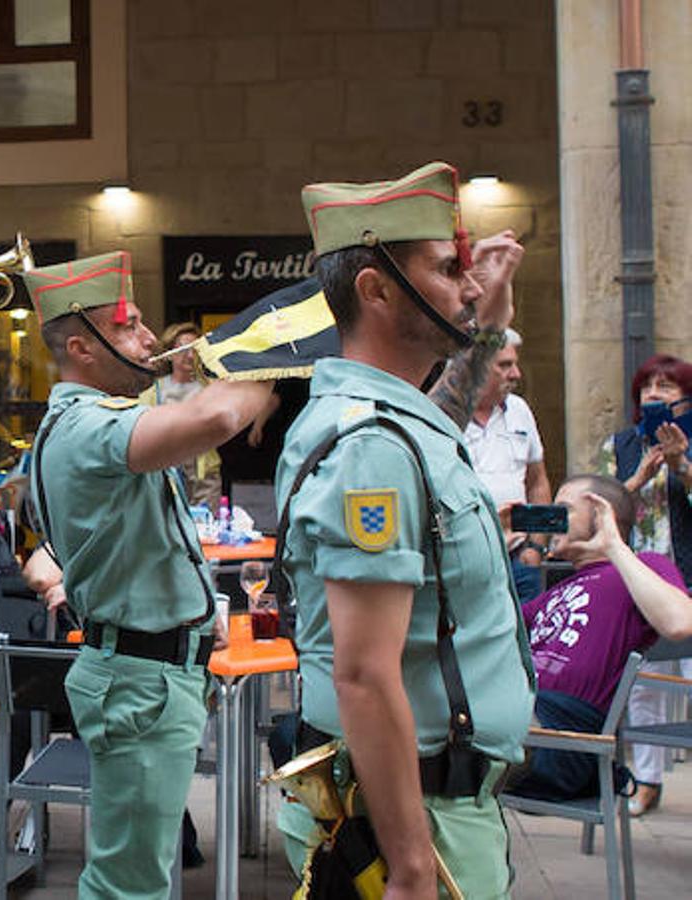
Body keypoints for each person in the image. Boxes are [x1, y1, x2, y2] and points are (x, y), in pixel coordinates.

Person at [276, 162, 534, 898]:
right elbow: (363, 672)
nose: (471, 285)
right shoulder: (373, 446)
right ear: (377, 289)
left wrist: (490, 316)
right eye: (449, 269)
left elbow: (439, 413)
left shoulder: (385, 422)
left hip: (425, 803)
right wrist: (413, 863)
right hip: (418, 819)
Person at [22, 250, 271, 897]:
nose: (147, 341)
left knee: (137, 876)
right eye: (131, 328)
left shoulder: (93, 423)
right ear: (82, 346)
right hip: (141, 681)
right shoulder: (87, 425)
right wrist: (270, 359)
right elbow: (215, 419)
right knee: (128, 885)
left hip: (148, 676)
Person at [507, 475, 692, 801]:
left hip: (564, 742)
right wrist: (484, 543)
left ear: (602, 515)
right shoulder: (557, 590)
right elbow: (478, 628)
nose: (552, 523)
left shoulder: (645, 566)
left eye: (564, 511)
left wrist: (613, 547)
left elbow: (679, 623)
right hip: (518, 717)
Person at [595, 353, 692, 816]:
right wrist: (637, 478)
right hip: (639, 582)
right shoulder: (620, 444)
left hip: (688, 581)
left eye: (666, 387)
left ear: (684, 399)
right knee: (646, 687)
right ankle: (648, 782)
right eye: (648, 387)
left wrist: (682, 466)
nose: (654, 393)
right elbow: (600, 509)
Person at [465, 328, 551, 599]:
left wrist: (536, 547)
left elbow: (537, 481)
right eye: (504, 365)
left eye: (515, 364)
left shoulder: (519, 410)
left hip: (519, 557)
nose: (516, 374)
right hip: (469, 559)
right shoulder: (445, 415)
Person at [147, 323, 223, 509]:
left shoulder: (211, 386)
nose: (189, 356)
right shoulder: (153, 389)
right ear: (169, 353)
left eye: (195, 350)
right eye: (183, 349)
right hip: (163, 467)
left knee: (205, 526)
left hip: (201, 469)